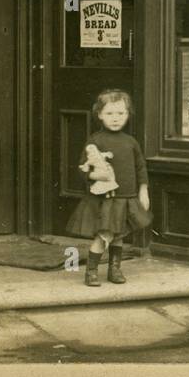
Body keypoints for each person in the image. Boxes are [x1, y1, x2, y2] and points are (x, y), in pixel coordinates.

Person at [67, 89, 151, 287]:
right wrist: (97, 175)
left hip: (126, 197)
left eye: (121, 113)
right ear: (100, 115)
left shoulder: (131, 142)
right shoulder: (96, 141)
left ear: (128, 114)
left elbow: (141, 167)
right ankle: (92, 271)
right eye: (110, 114)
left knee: (118, 235)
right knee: (104, 234)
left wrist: (143, 190)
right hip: (106, 199)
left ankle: (115, 269)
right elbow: (84, 169)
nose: (116, 118)